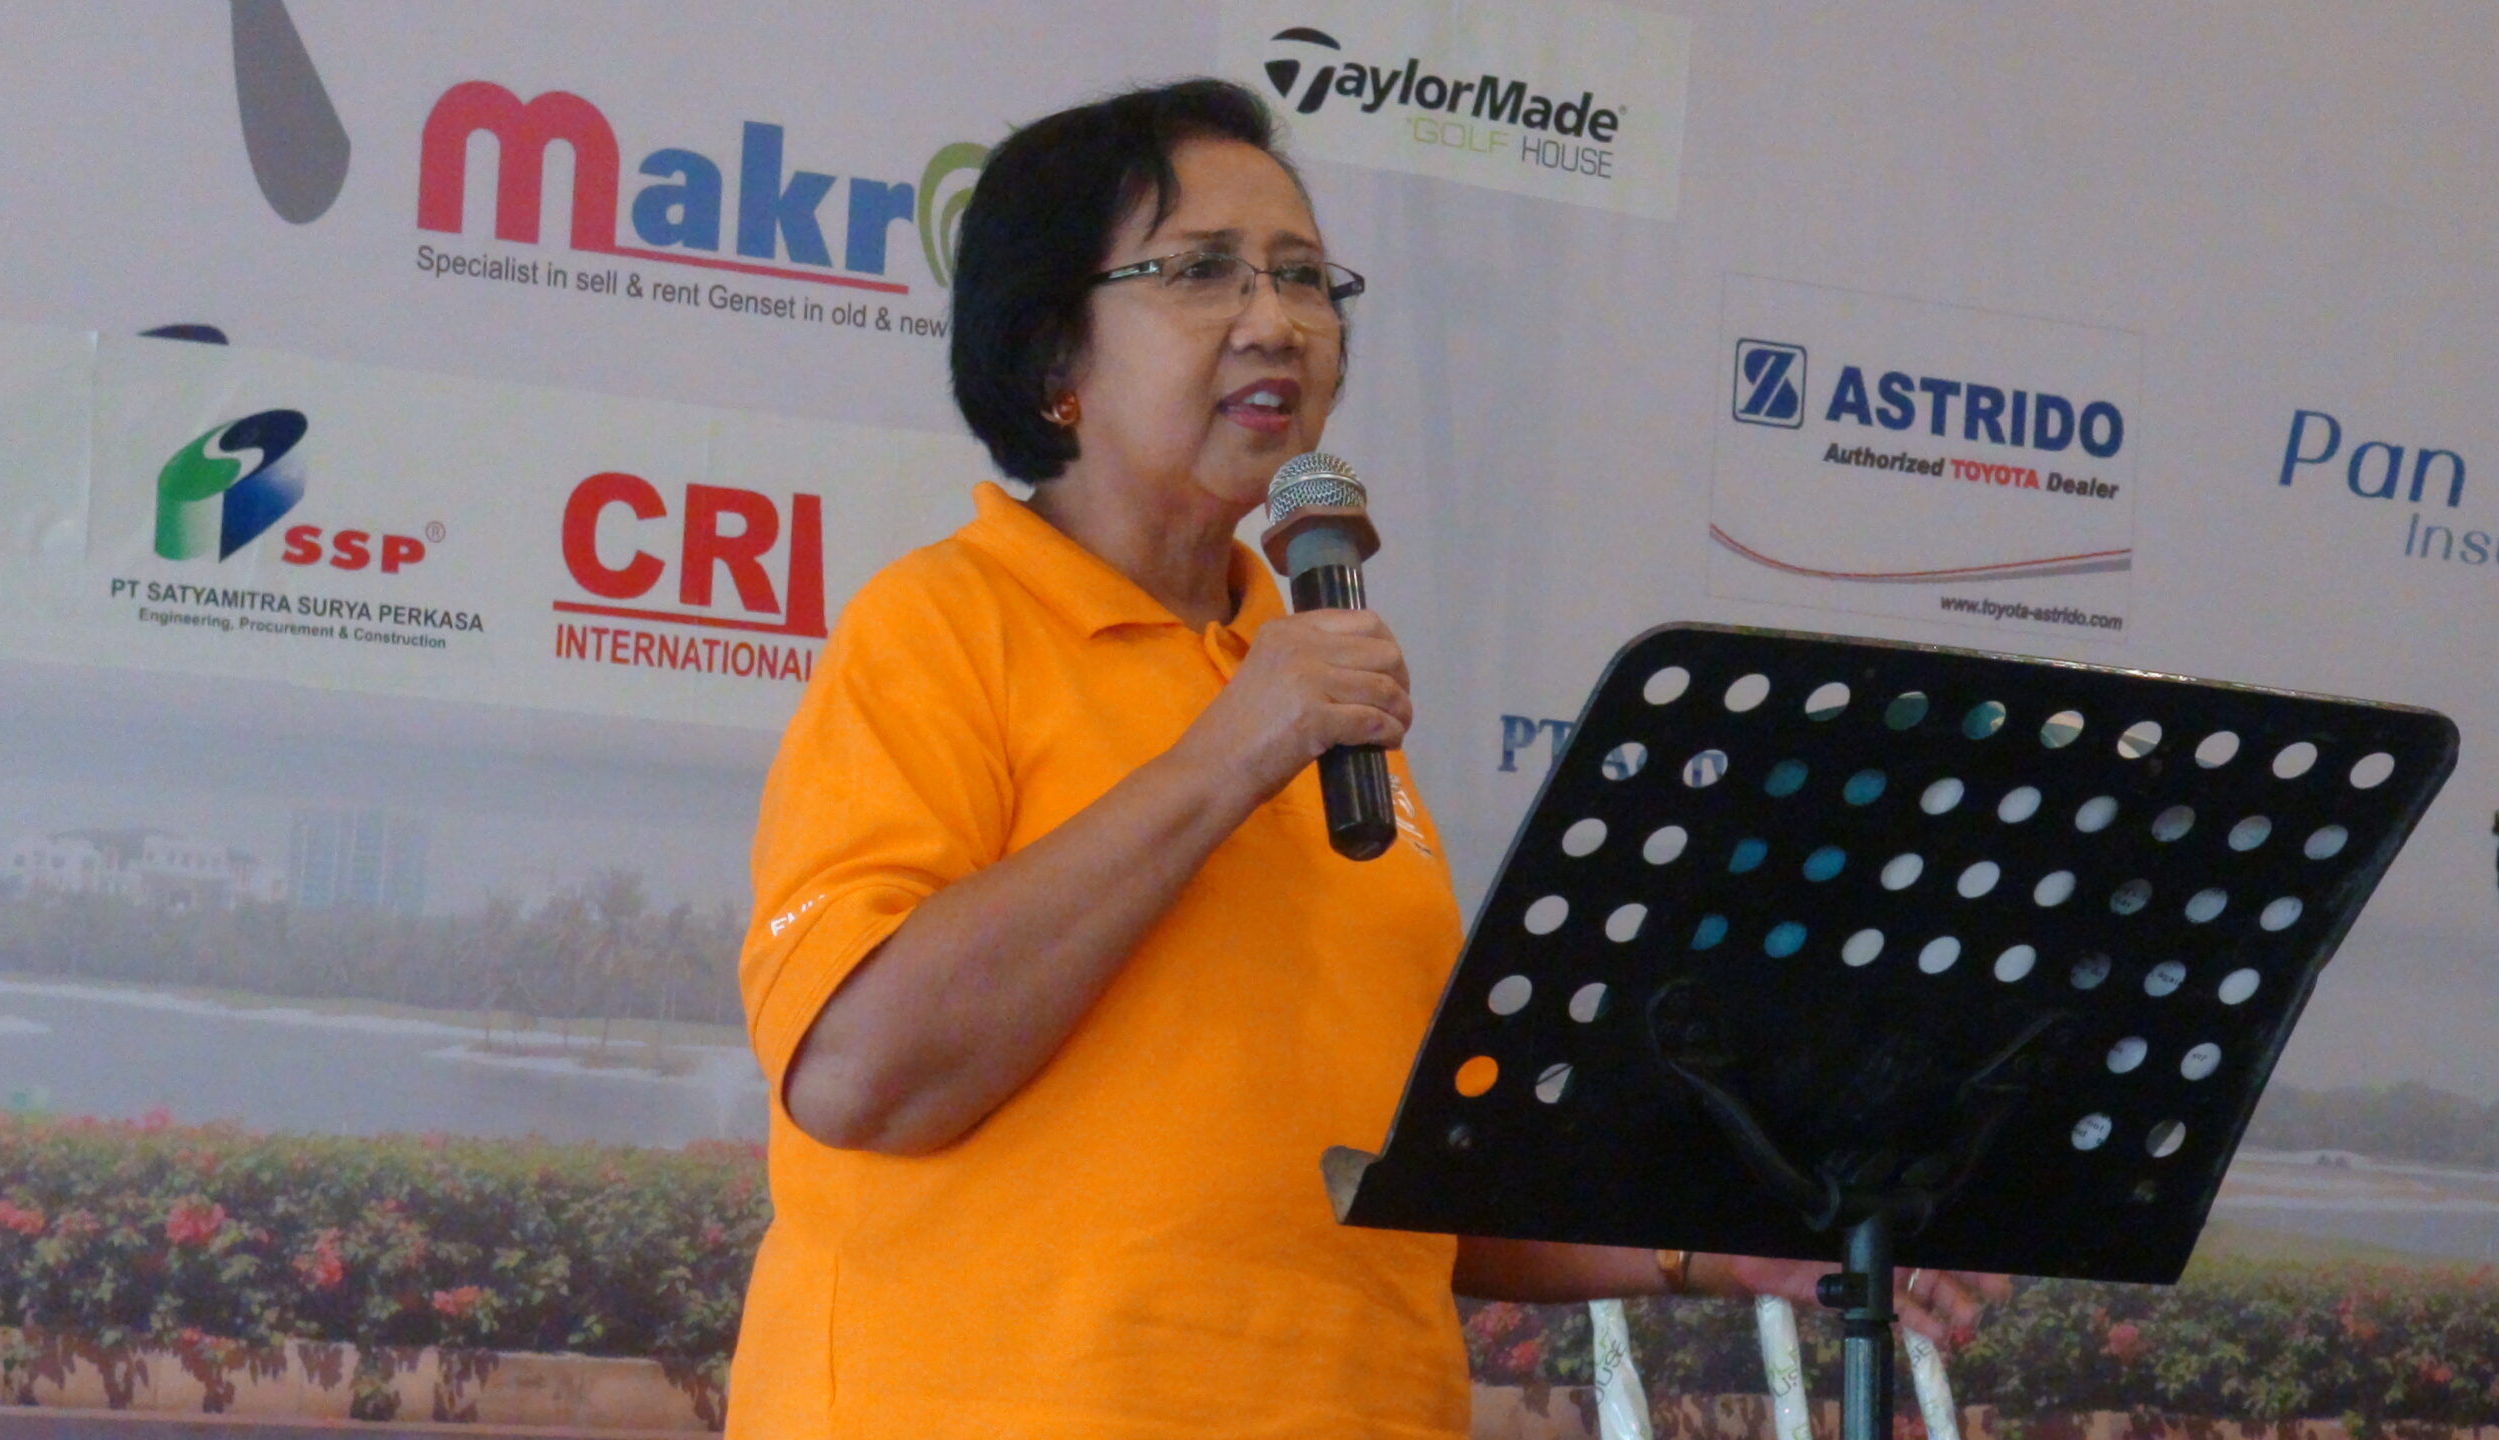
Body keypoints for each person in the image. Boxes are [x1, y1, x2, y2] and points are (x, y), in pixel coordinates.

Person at [729, 79, 1997, 1439]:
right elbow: (857, 1072)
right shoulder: (944, 626)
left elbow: (1401, 1188)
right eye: (1201, 271)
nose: (1276, 321)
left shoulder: (1307, 681)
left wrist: (1713, 1247)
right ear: (1053, 355)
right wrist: (1226, 759)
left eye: (1304, 277)